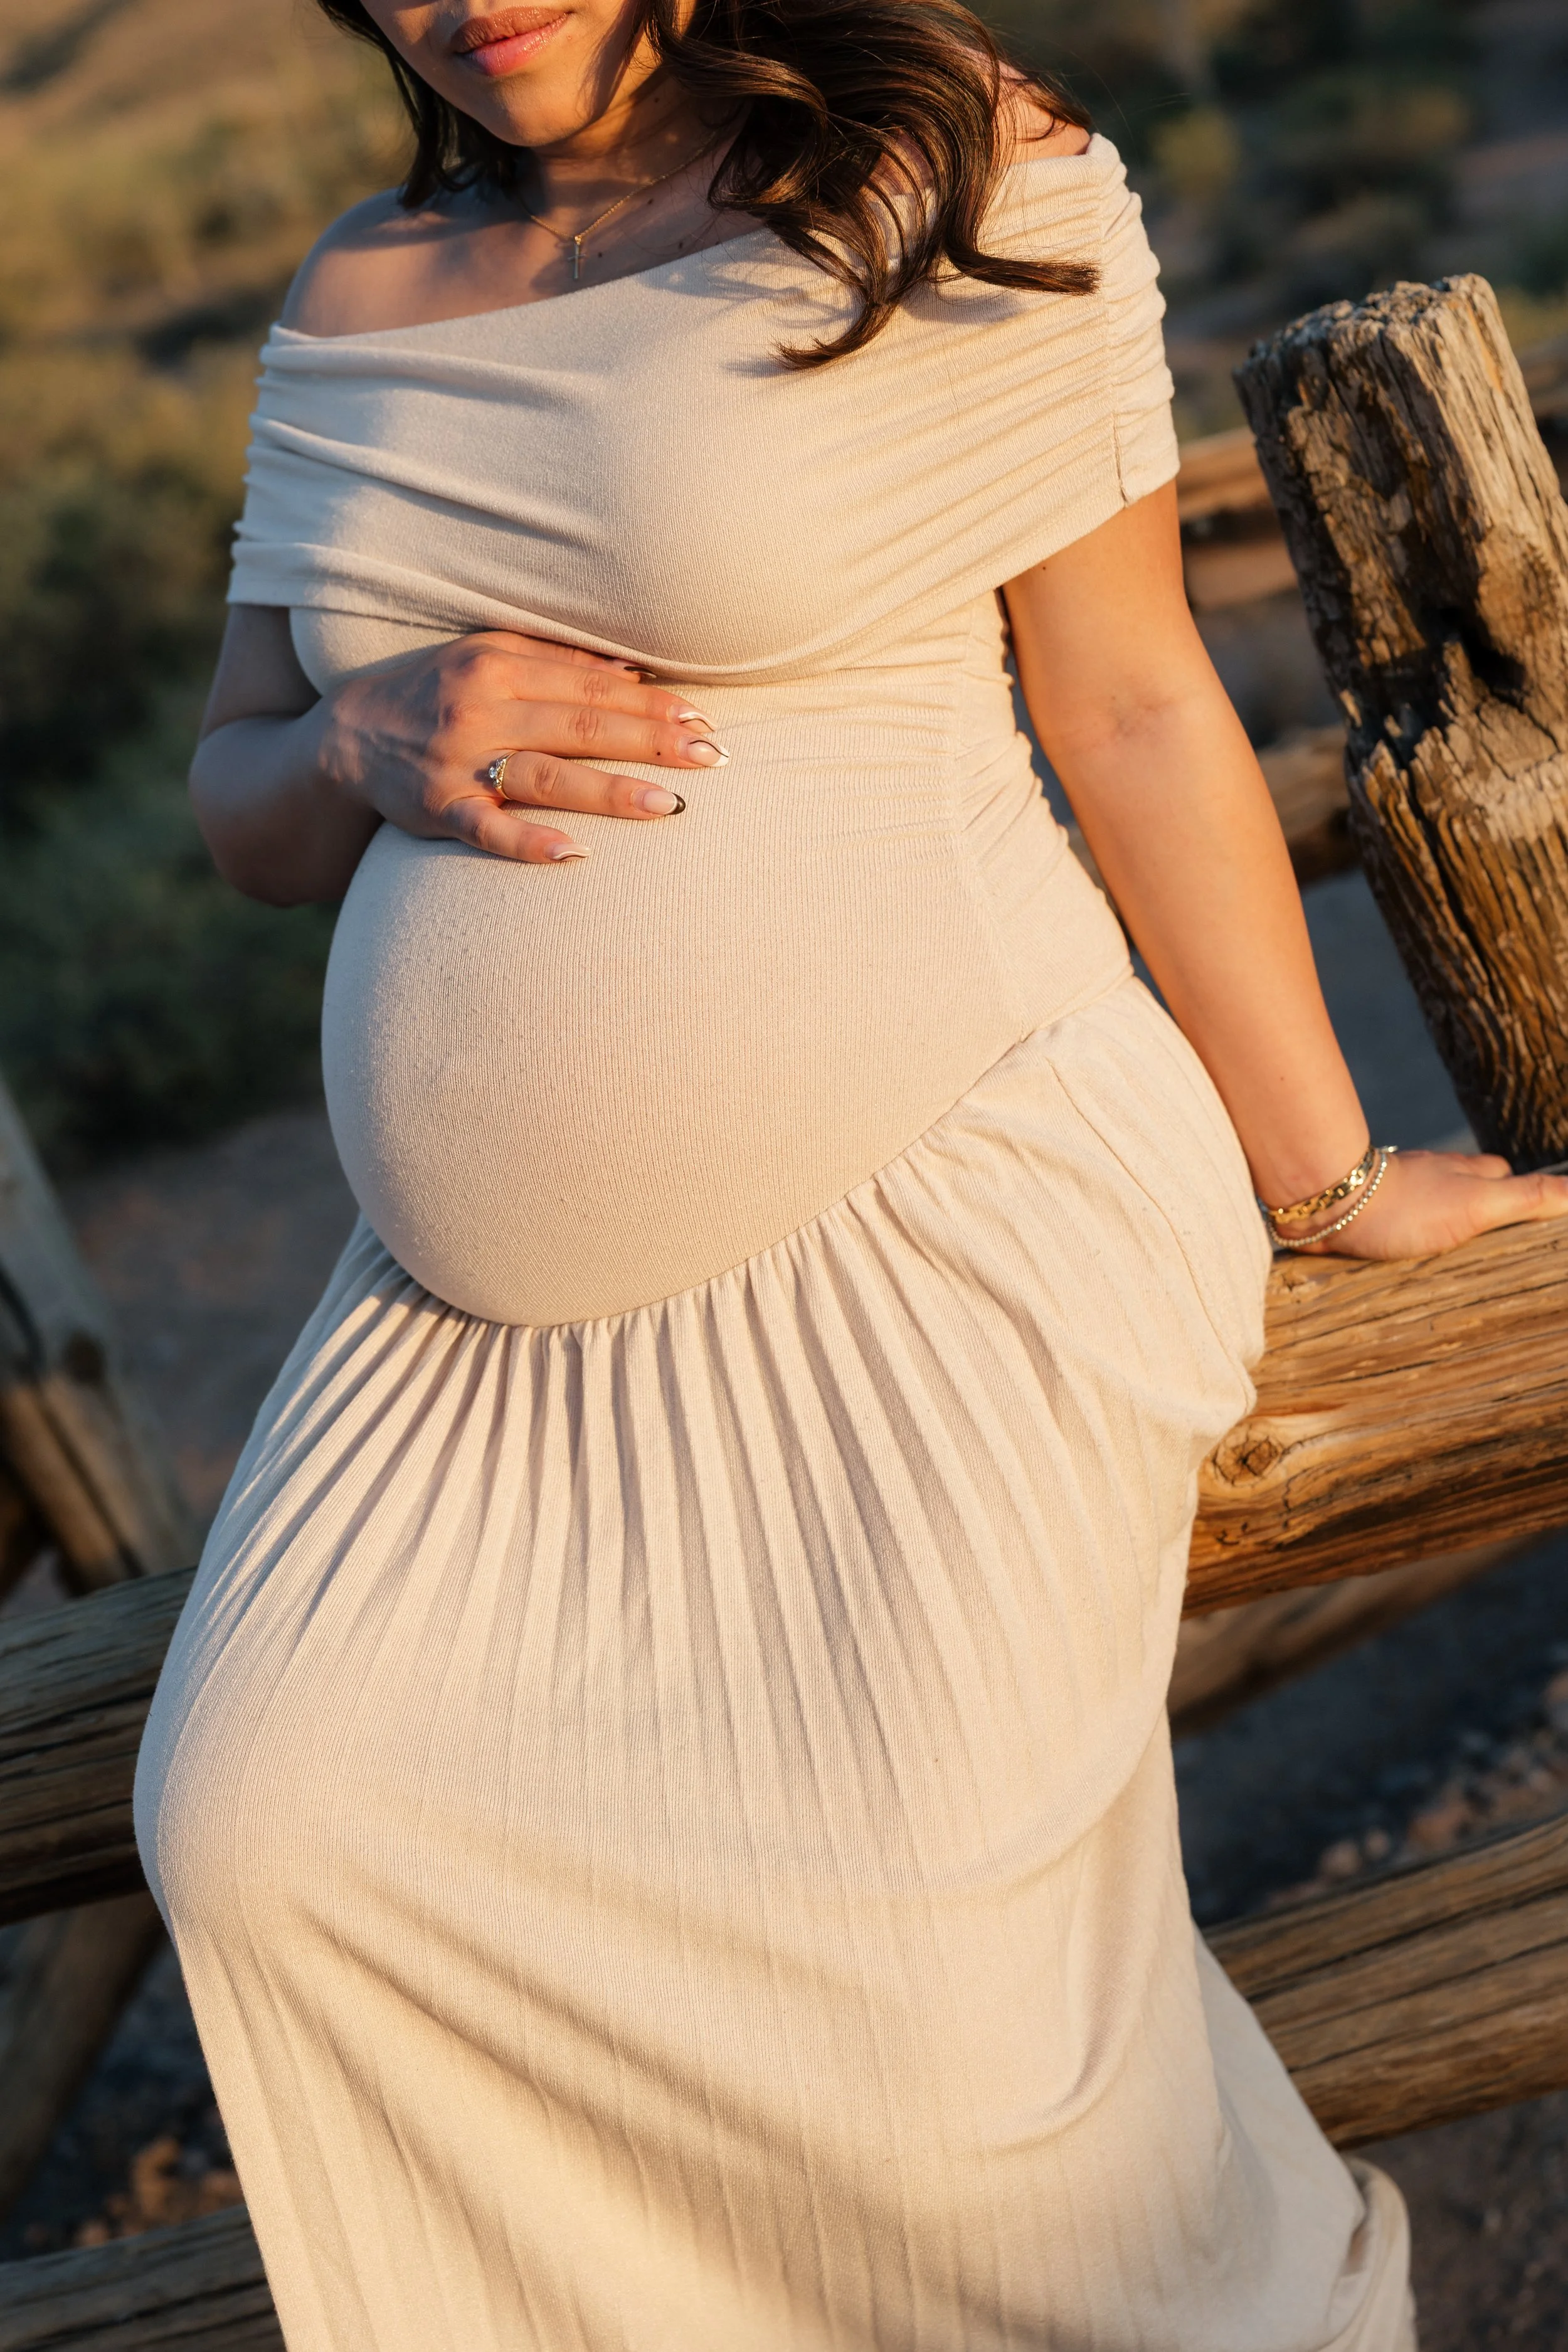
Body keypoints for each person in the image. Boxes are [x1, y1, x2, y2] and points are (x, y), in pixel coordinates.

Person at [134, 3, 1567, 2346]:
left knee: (920, 2014)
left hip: (944, 1166)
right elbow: (238, 794)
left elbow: (1128, 701)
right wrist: (360, 740)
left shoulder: (936, 161)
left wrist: (1324, 1177)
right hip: (468, 1330)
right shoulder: (362, 287)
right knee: (267, 1830)